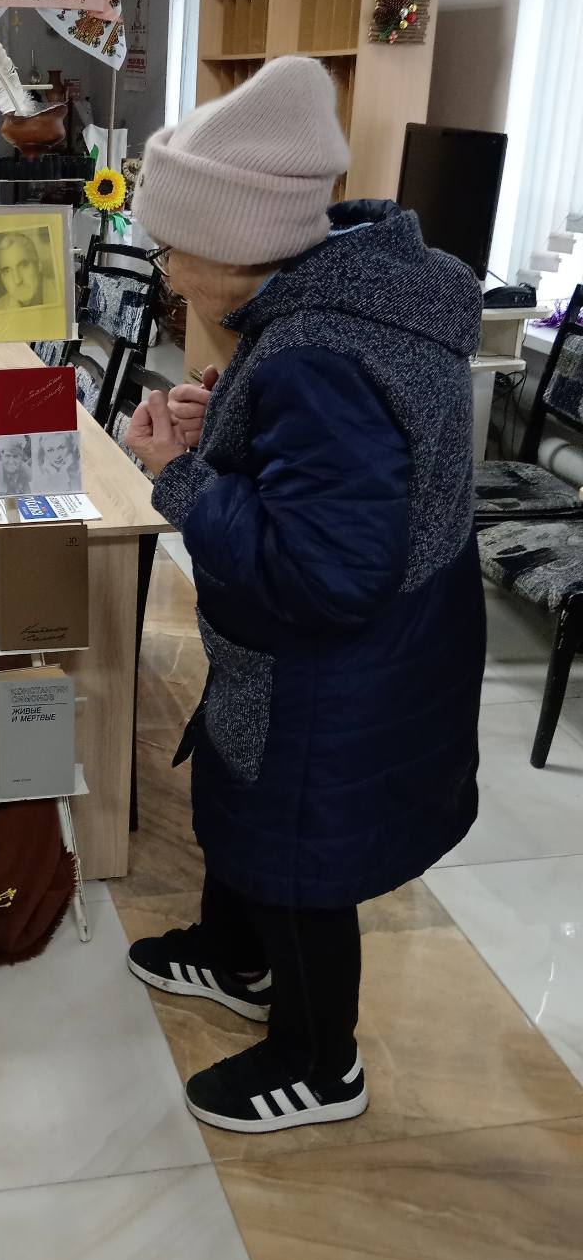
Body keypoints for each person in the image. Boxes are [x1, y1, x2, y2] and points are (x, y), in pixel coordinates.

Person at [122, 55, 484, 1136]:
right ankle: (234, 958)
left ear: (235, 242)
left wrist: (180, 475)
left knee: (298, 859)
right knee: (246, 814)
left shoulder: (317, 353)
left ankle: (321, 1062)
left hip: (335, 678)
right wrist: (235, 419)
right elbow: (344, 474)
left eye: (174, 247)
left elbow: (325, 570)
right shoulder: (343, 303)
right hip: (359, 655)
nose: (168, 271)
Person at [0, 232, 53, 311]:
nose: (17, 280)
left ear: (39, 265)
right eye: (7, 271)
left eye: (23, 265)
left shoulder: (63, 292)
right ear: (2, 278)